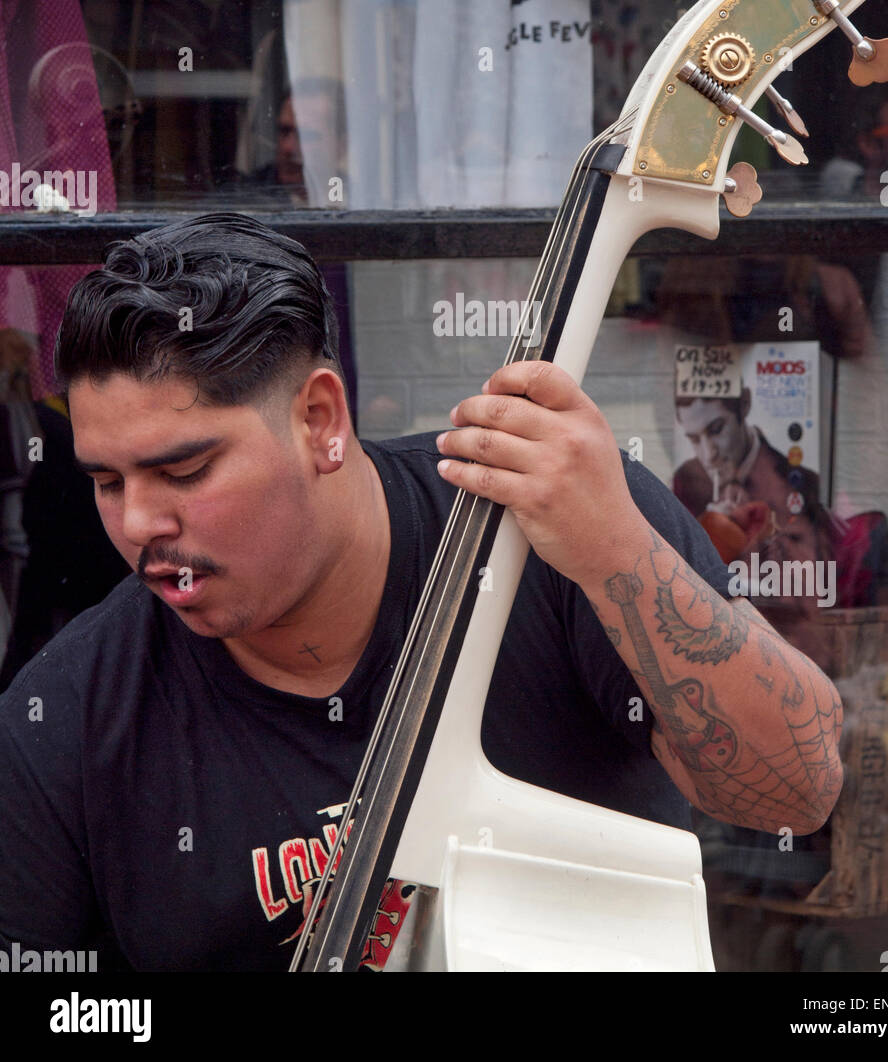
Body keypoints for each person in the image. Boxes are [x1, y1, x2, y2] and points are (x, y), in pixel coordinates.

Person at [0, 214, 843, 971]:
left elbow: (792, 791)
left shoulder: (551, 531)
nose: (140, 522)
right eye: (106, 482)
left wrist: (611, 548)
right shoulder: (65, 721)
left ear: (320, 421)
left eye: (183, 470)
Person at [673, 390, 820, 527]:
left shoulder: (804, 484)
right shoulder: (684, 482)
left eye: (717, 429)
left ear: (744, 405)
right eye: (694, 439)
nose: (708, 455)